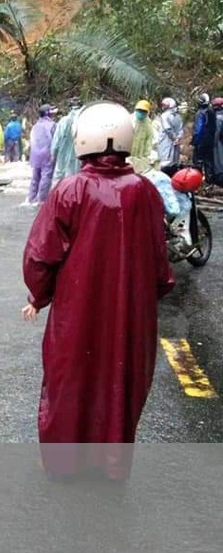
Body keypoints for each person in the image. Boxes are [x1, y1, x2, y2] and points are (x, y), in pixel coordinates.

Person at [22, 101, 175, 483]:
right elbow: (161, 262)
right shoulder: (144, 191)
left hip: (77, 312)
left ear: (83, 140)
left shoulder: (70, 191)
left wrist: (39, 296)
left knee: (68, 381)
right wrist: (140, 300)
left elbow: (40, 256)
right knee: (121, 383)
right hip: (131, 314)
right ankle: (111, 466)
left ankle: (62, 463)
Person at [24, 104, 57, 206]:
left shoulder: (35, 125)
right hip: (47, 154)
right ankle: (41, 200)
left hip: (35, 155)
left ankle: (31, 198)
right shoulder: (52, 125)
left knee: (35, 177)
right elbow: (55, 140)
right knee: (46, 177)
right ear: (47, 113)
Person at [50, 97, 82, 184]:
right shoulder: (85, 121)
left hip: (63, 156)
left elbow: (56, 141)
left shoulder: (63, 121)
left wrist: (53, 154)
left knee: (60, 179)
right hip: (80, 156)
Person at [192, 92, 217, 183]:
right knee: (209, 162)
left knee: (197, 162)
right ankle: (210, 180)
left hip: (201, 140)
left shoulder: (200, 113)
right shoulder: (211, 112)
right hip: (210, 140)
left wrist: (195, 140)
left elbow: (198, 129)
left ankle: (197, 181)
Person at [157, 97, 184, 177]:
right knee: (174, 162)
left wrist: (174, 138)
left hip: (166, 142)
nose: (163, 107)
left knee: (165, 163)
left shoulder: (164, 115)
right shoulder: (178, 116)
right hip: (175, 143)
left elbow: (167, 129)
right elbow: (181, 129)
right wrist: (178, 138)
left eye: (165, 105)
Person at [130, 99, 155, 170]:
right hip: (129, 152)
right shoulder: (130, 120)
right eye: (139, 110)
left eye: (144, 111)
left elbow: (149, 139)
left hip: (141, 154)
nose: (141, 112)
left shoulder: (148, 123)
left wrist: (146, 155)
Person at [212, 97, 223, 186]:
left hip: (219, 142)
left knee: (219, 161)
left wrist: (213, 144)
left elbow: (217, 133)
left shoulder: (218, 118)